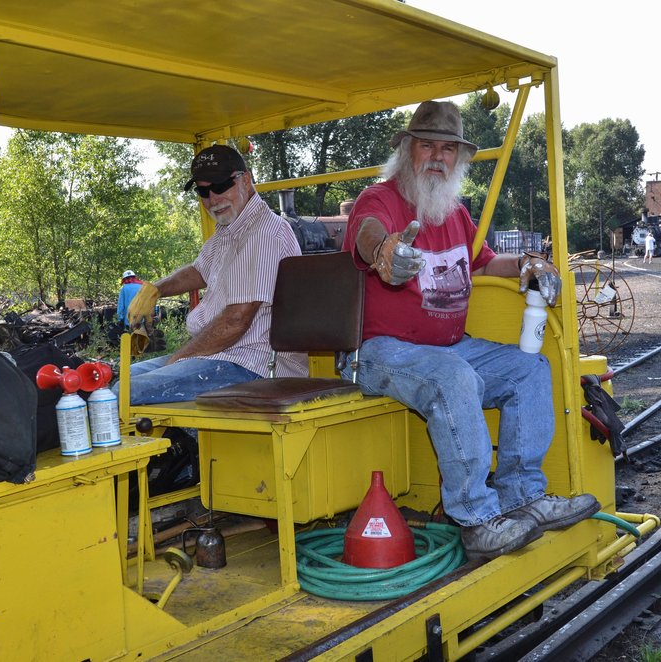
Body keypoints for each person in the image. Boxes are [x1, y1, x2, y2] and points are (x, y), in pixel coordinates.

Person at [341, 101, 600, 561]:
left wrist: (527, 263)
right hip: (379, 352)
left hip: (448, 347)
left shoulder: (454, 213)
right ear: (407, 150)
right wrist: (384, 251)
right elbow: (368, 234)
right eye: (427, 145)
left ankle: (523, 497)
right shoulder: (378, 199)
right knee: (451, 377)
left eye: (448, 148)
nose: (438, 156)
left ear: (459, 159)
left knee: (529, 369)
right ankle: (476, 519)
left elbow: (486, 261)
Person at [119, 144, 307, 405]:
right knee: (116, 381)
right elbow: (199, 270)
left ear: (246, 179)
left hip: (255, 363)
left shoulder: (264, 233)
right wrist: (155, 290)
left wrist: (177, 361)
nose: (212, 198)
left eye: (220, 186)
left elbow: (235, 320)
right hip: (222, 355)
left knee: (122, 394)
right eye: (203, 191)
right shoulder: (229, 230)